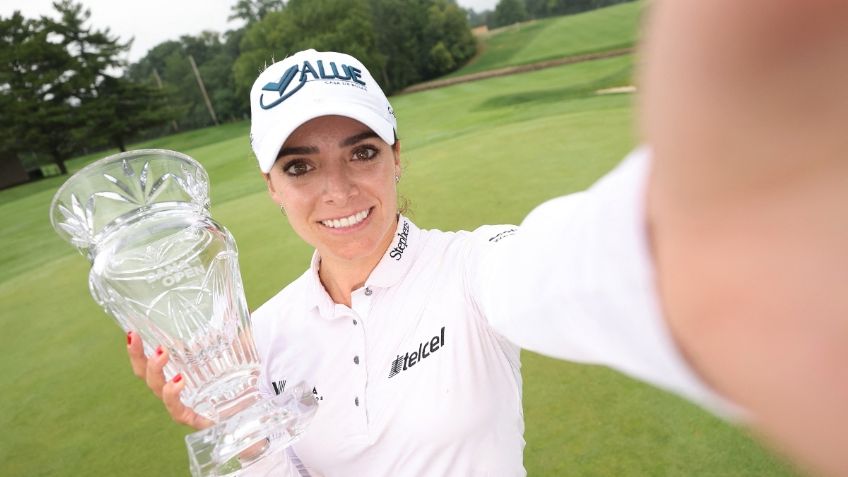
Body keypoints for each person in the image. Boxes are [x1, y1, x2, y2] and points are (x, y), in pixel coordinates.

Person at [128, 1, 848, 476]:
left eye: (362, 150)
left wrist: (703, 228)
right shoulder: (264, 334)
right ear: (270, 183)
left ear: (397, 154)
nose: (339, 190)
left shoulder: (474, 268)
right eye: (300, 165)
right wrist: (238, 423)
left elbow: (556, 268)